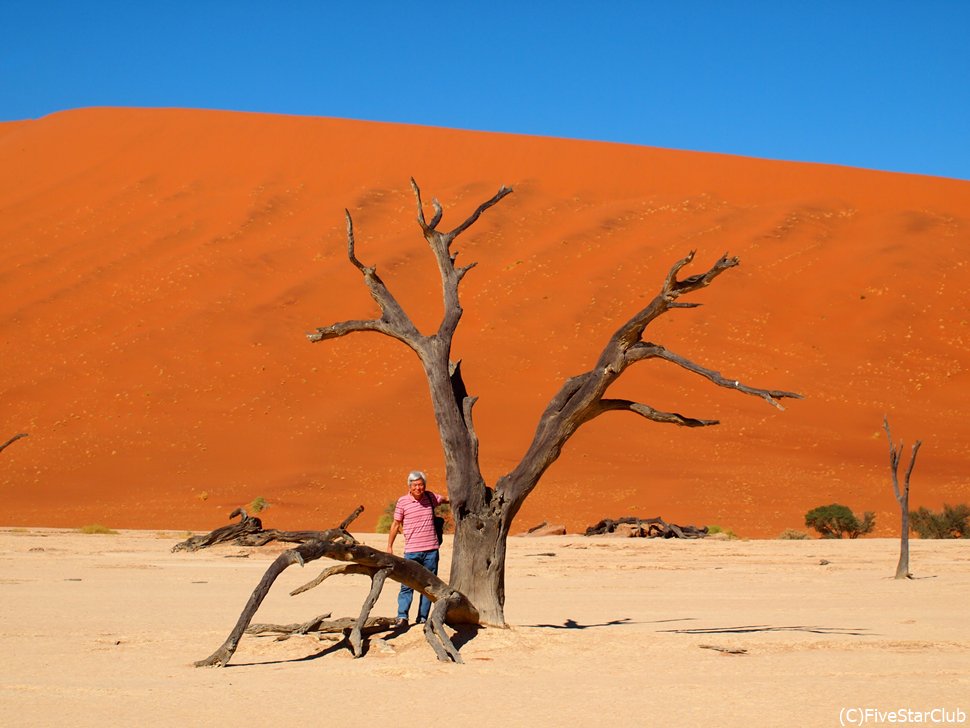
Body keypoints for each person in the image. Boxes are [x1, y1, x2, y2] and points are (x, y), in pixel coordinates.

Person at [386, 470, 448, 625]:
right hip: (412, 551)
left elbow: (446, 499)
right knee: (407, 584)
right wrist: (389, 546)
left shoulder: (431, 497)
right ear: (410, 486)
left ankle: (422, 618)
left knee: (428, 586)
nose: (418, 488)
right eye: (415, 485)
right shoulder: (402, 502)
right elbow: (395, 524)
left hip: (431, 551)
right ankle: (402, 616)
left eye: (421, 485)